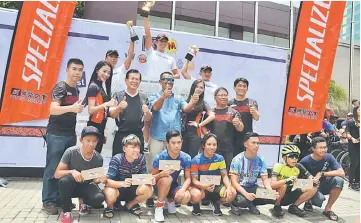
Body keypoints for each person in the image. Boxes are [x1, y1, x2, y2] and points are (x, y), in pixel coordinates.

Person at [42, 58, 84, 215]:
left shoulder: (76, 90)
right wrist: (72, 107)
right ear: (67, 69)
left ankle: (59, 198)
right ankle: (48, 201)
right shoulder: (61, 87)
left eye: (80, 70)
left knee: (64, 168)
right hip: (56, 134)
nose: (77, 72)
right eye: (74, 69)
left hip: (69, 134)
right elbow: (53, 109)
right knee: (52, 168)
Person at [146, 72, 199, 173]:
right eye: (166, 79)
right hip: (158, 136)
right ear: (160, 82)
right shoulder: (154, 95)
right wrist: (163, 97)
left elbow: (186, 109)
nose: (169, 82)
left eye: (172, 80)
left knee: (172, 168)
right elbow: (156, 107)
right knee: (153, 166)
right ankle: (150, 187)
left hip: (174, 139)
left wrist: (193, 102)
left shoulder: (178, 98)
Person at [54, 126, 106, 223]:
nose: (91, 144)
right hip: (71, 186)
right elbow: (57, 174)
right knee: (64, 181)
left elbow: (94, 179)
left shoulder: (99, 158)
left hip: (86, 185)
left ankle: (83, 202)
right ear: (81, 140)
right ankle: (66, 211)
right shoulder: (71, 152)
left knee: (99, 198)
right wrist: (71, 171)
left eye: (94, 141)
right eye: (88, 140)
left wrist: (99, 180)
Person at [103, 134, 155, 218]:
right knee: (109, 192)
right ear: (124, 149)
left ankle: (130, 204)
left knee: (149, 189)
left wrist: (150, 180)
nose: (137, 150)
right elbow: (107, 182)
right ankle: (110, 207)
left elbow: (144, 176)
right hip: (118, 189)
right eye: (133, 147)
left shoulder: (141, 158)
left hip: (133, 189)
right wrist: (122, 183)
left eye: (138, 147)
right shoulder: (117, 159)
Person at [229, 132, 278, 216]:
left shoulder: (260, 159)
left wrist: (270, 191)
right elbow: (234, 182)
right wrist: (245, 194)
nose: (256, 146)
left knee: (272, 198)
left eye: (258, 143)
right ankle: (234, 204)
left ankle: (251, 204)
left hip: (252, 187)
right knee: (242, 201)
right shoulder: (237, 159)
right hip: (239, 189)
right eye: (253, 143)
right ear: (245, 144)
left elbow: (265, 179)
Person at [190, 134, 237, 216]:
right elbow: (194, 180)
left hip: (215, 186)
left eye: (214, 145)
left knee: (232, 193)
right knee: (195, 195)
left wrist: (229, 187)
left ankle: (216, 202)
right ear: (203, 145)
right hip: (201, 187)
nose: (212, 147)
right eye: (209, 144)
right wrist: (204, 186)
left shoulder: (220, 158)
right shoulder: (195, 160)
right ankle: (196, 205)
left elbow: (225, 176)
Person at [300, 137, 345, 221]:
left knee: (339, 180)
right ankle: (307, 200)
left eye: (325, 147)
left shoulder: (329, 157)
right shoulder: (305, 161)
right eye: (320, 148)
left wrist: (322, 174)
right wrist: (311, 182)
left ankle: (328, 209)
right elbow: (298, 182)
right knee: (318, 201)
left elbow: (342, 173)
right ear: (313, 148)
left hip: (324, 184)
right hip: (311, 187)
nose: (323, 150)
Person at [152, 130, 192, 222]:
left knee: (186, 196)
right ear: (167, 143)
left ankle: (170, 200)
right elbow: (152, 177)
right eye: (173, 143)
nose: (177, 145)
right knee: (167, 179)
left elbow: (188, 178)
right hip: (159, 185)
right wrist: (161, 174)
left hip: (173, 185)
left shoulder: (186, 158)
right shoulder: (160, 157)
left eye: (179, 142)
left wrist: (182, 190)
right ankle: (159, 208)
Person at [110, 69, 151, 156]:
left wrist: (147, 112)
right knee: (118, 163)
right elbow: (112, 115)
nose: (134, 81)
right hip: (121, 135)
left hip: (138, 136)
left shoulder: (143, 98)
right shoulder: (118, 95)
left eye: (137, 79)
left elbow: (148, 118)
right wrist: (119, 108)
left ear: (140, 82)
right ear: (126, 80)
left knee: (137, 164)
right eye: (132, 78)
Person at [270, 145, 317, 218]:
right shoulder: (278, 166)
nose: (294, 159)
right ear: (284, 157)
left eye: (296, 156)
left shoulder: (298, 166)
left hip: (289, 194)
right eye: (291, 156)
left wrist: (314, 180)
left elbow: (311, 178)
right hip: (276, 196)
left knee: (313, 186)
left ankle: (294, 207)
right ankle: (276, 206)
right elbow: (272, 185)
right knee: (283, 185)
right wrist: (286, 180)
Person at [204, 87, 244, 169]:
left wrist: (238, 124)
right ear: (215, 98)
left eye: (225, 95)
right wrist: (208, 136)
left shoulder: (234, 112)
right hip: (213, 149)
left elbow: (241, 128)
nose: (223, 97)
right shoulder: (210, 112)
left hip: (229, 149)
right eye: (221, 95)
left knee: (228, 172)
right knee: (213, 171)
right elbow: (204, 127)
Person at [84, 60, 117, 153]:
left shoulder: (101, 86)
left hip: (101, 126)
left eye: (109, 73)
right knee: (90, 158)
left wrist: (104, 131)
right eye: (104, 71)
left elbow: (104, 113)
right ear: (97, 70)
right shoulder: (93, 86)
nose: (106, 74)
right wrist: (106, 104)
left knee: (96, 158)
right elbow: (90, 110)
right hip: (93, 127)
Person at [181, 79, 215, 158]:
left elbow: (212, 116)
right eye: (197, 87)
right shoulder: (185, 101)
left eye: (201, 87)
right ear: (193, 87)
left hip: (195, 134)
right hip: (182, 133)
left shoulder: (203, 103)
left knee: (192, 157)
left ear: (203, 90)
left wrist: (199, 124)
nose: (199, 89)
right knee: (182, 158)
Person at [229, 78, 260, 156]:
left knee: (247, 160)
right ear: (234, 88)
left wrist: (255, 112)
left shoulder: (252, 102)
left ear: (247, 89)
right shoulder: (229, 103)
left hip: (248, 137)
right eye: (239, 86)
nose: (242, 88)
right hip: (232, 137)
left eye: (244, 86)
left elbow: (256, 117)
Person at [346, 106, 360, 191]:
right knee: (354, 163)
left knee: (359, 164)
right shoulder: (351, 122)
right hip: (353, 145)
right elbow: (347, 134)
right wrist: (352, 138)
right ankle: (351, 182)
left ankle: (358, 181)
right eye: (359, 110)